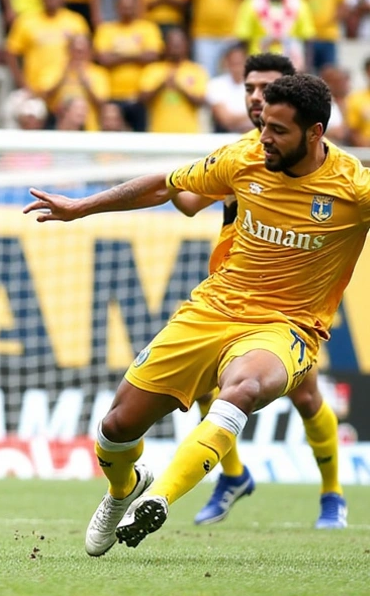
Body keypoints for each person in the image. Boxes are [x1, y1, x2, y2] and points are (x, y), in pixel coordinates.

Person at [23, 72, 354, 554]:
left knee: (242, 389)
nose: (264, 138)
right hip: (212, 309)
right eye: (263, 126)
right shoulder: (244, 158)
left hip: (285, 327)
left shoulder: (353, 189)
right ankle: (126, 489)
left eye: (278, 130)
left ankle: (158, 500)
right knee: (116, 428)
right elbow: (165, 187)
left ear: (315, 133)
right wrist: (81, 208)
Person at [162, 53, 348, 529]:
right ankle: (233, 475)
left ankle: (332, 495)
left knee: (306, 400)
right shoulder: (242, 154)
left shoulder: (308, 158)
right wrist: (171, 178)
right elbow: (186, 203)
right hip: (228, 292)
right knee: (207, 384)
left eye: (266, 88)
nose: (255, 97)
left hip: (287, 305)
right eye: (248, 88)